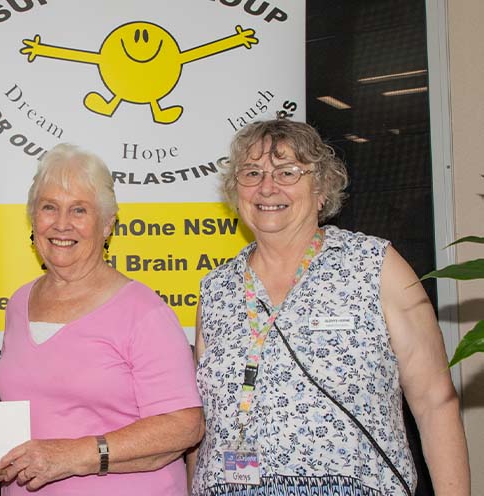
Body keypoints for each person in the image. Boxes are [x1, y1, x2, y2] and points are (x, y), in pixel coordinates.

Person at [187, 119, 470, 495]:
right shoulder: (216, 289)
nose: (267, 187)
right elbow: (204, 424)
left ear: (320, 189)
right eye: (252, 173)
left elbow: (436, 402)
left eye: (287, 172)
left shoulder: (375, 266)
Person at [0, 143, 204, 494]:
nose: (61, 224)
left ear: (107, 225)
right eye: (49, 207)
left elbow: (185, 425)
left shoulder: (144, 312)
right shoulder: (19, 303)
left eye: (79, 210)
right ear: (33, 218)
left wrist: (75, 455)